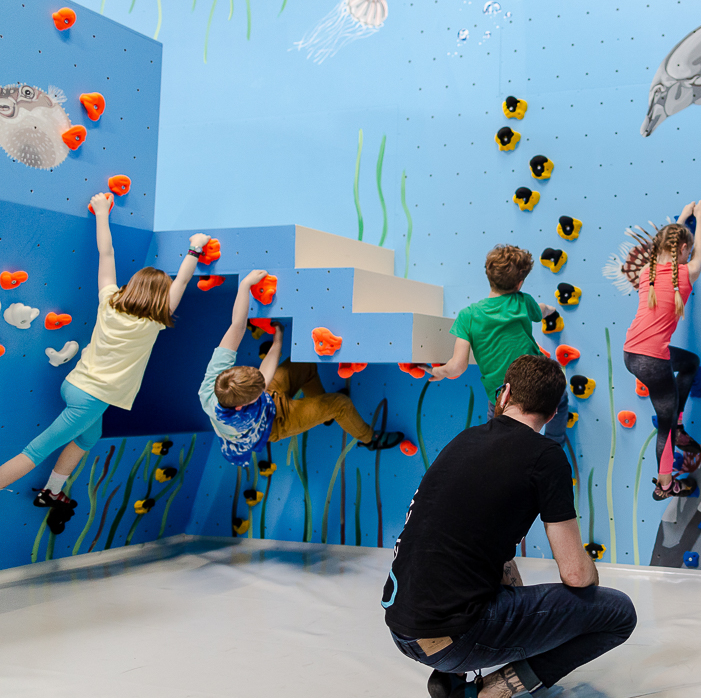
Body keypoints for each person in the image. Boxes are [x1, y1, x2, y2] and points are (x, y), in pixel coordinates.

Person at [383, 355, 636, 698]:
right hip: (455, 636)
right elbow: (575, 575)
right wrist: (586, 577)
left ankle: (447, 686)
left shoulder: (465, 440)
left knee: (474, 580)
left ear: (505, 395)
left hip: (402, 627)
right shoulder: (545, 458)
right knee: (619, 614)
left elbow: (484, 551)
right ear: (552, 413)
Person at [0, 193, 205, 534]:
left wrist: (100, 212)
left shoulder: (109, 302)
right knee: (36, 450)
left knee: (88, 438)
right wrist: (195, 248)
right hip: (92, 398)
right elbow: (182, 280)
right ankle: (45, 487)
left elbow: (106, 253)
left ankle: (52, 491)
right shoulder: (155, 320)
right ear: (160, 298)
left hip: (75, 385)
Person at [198, 270, 401, 466]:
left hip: (267, 398)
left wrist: (245, 285)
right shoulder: (242, 417)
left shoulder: (211, 386)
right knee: (340, 404)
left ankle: (323, 412)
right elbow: (264, 378)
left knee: (303, 363)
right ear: (244, 405)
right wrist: (277, 343)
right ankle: (369, 439)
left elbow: (237, 326)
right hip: (274, 424)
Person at [428, 245, 569, 445]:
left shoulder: (468, 315)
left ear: (488, 274)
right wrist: (551, 310)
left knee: (497, 436)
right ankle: (554, 444)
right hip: (540, 383)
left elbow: (458, 366)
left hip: (502, 394)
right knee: (560, 401)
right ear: (519, 284)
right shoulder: (523, 302)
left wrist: (440, 371)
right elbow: (542, 310)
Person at [622, 202, 701, 500]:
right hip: (652, 361)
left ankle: (680, 423)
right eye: (686, 251)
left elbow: (662, 244)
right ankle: (665, 485)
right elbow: (699, 248)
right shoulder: (686, 274)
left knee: (689, 363)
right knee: (665, 427)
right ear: (682, 249)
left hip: (632, 353)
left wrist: (684, 218)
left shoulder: (646, 270)